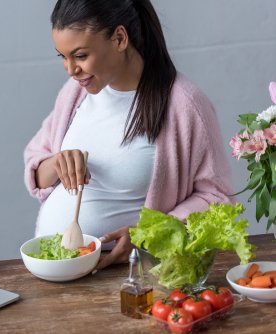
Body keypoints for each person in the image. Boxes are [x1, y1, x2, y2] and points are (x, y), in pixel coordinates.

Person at [23, 0, 235, 270]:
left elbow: (218, 199)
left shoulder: (184, 104)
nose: (70, 69)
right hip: (54, 273)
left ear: (120, 39)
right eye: (62, 57)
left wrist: (146, 237)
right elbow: (39, 172)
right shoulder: (74, 93)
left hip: (129, 278)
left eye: (80, 56)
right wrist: (56, 163)